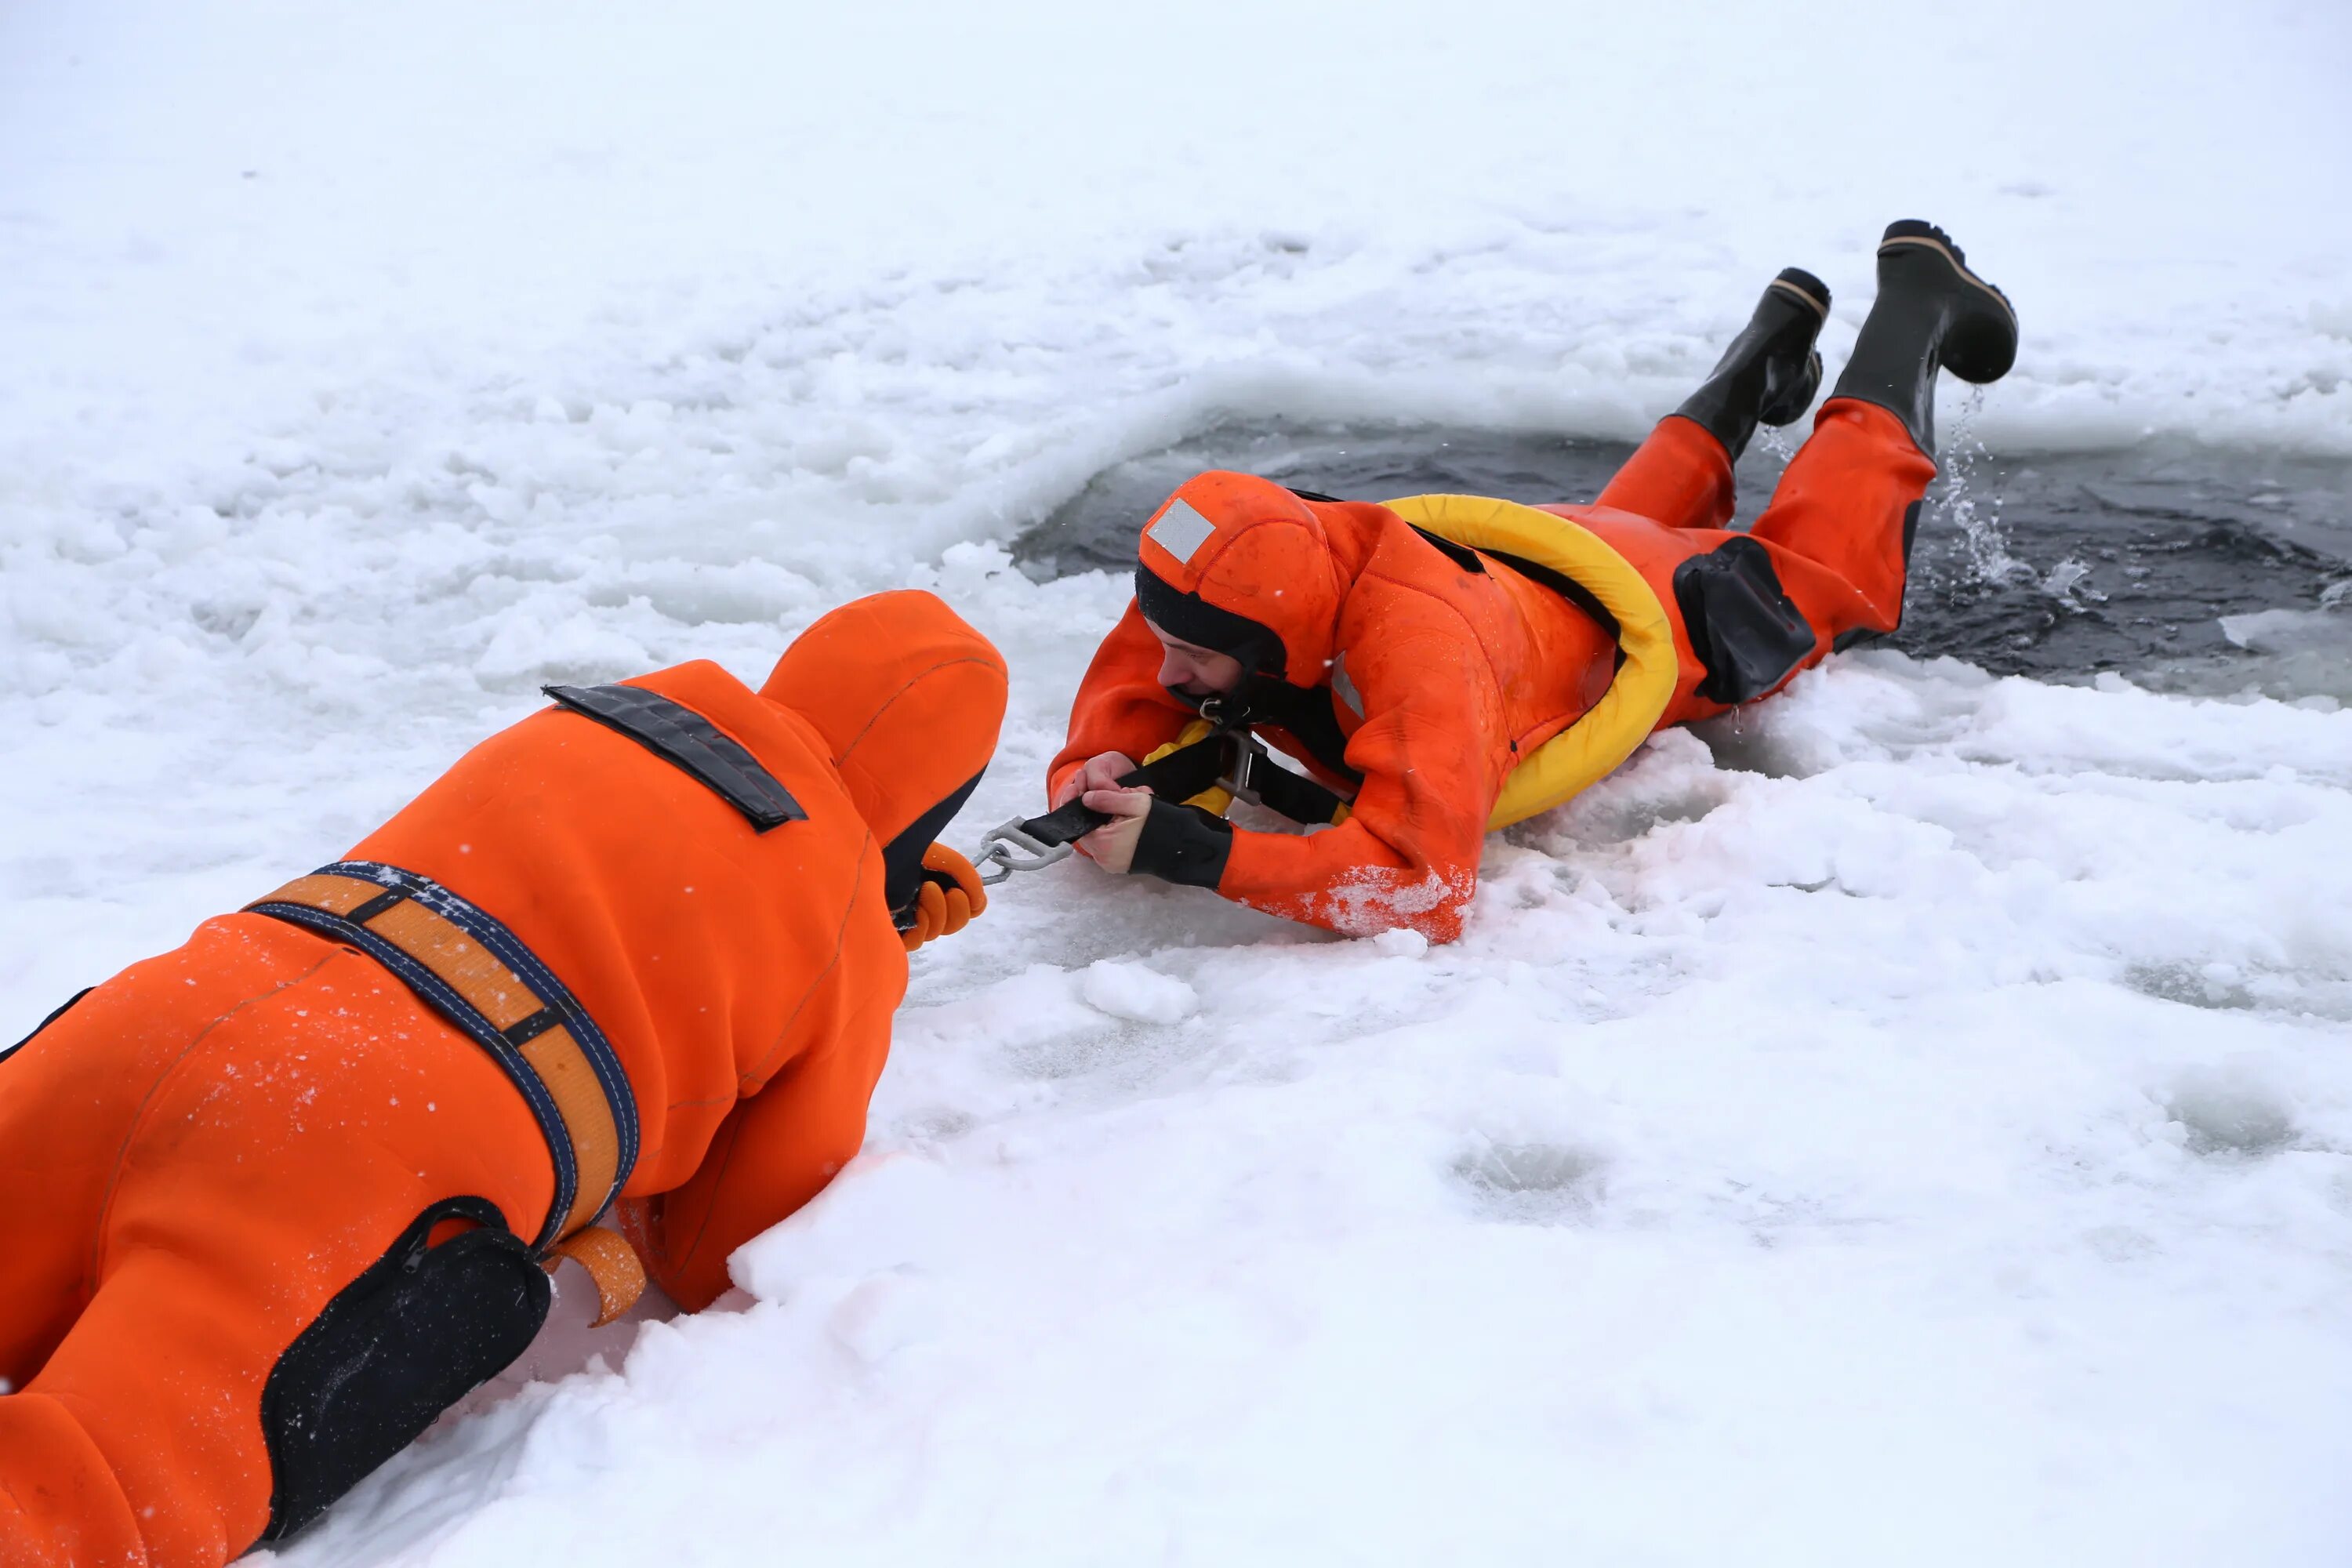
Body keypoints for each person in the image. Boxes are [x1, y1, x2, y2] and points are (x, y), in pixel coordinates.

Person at [0, 590, 1005, 1566]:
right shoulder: (845, 937)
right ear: (932, 802)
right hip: (360, 1138)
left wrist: (856, 914)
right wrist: (858, 961)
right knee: (91, 1489)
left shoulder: (591, 728)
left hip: (177, 1008)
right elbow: (718, 1248)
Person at [1050, 220, 2017, 942]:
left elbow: (1421, 888)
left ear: (1270, 637)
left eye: (1194, 655)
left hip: (1655, 611)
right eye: (1168, 638)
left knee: (1828, 571)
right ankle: (1764, 355)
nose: (1168, 670)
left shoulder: (1417, 662)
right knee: (1624, 525)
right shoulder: (1232, 575)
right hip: (1539, 568)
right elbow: (1139, 680)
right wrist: (1098, 765)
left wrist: (1191, 850)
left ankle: (1916, 303)